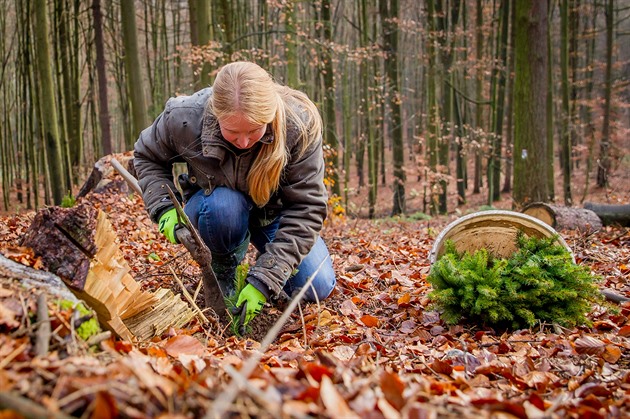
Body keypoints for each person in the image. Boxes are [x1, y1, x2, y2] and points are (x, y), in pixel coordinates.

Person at [133, 61, 336, 331]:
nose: (243, 142)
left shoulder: (298, 126)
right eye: (233, 131)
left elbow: (307, 207)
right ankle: (225, 265)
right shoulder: (185, 118)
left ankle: (260, 268)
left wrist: (266, 279)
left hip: (273, 214)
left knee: (315, 285)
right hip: (215, 208)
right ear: (216, 116)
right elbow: (147, 156)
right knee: (225, 207)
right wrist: (164, 207)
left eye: (253, 131)